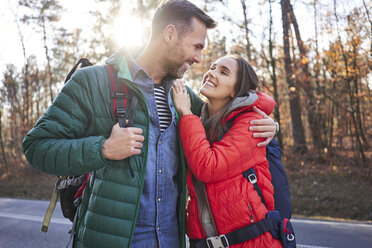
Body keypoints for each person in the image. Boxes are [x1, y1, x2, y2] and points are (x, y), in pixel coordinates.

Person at [22, 1, 277, 247]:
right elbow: (36, 146)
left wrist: (266, 119)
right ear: (170, 34)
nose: (199, 58)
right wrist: (103, 149)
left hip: (170, 240)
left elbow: (231, 119)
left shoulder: (184, 97)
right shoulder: (93, 82)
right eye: (196, 46)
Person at [172, 54, 282, 248]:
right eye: (213, 68)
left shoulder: (250, 123)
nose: (211, 73)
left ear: (235, 90)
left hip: (251, 242)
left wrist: (186, 114)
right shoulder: (203, 118)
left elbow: (209, 166)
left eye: (223, 72)